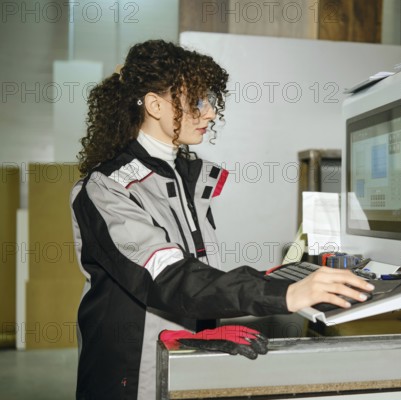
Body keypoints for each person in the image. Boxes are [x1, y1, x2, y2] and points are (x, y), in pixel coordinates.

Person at [70, 39, 373, 400]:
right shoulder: (107, 188)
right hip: (129, 376)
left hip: (177, 356)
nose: (211, 112)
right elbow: (168, 277)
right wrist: (284, 292)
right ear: (154, 105)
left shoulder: (185, 176)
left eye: (211, 101)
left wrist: (208, 325)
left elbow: (195, 272)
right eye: (198, 101)